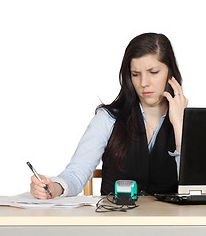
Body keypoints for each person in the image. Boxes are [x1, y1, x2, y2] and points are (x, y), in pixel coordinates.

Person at [30, 33, 188, 199]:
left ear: (170, 73)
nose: (143, 83)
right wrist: (54, 188)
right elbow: (77, 172)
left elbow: (194, 186)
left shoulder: (190, 122)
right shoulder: (108, 118)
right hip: (115, 220)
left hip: (170, 223)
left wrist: (179, 125)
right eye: (135, 74)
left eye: (153, 72)